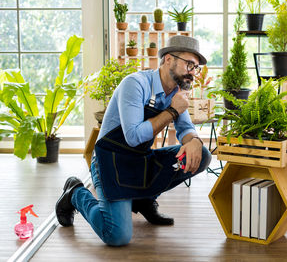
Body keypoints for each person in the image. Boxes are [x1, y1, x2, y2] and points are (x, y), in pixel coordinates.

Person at [55, 35, 212, 246]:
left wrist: (194, 141)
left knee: (202, 155)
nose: (193, 72)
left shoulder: (177, 93)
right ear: (168, 59)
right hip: (110, 160)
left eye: (196, 68)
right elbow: (133, 136)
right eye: (189, 64)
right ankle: (75, 193)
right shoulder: (135, 84)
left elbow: (185, 128)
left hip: (140, 159)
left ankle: (144, 199)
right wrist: (172, 110)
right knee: (117, 235)